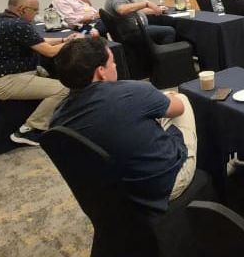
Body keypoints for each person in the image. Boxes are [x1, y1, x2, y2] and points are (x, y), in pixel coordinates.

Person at [50, 37, 197, 212]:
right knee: (181, 99)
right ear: (101, 72)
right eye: (113, 62)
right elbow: (177, 109)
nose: (115, 66)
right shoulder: (133, 91)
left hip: (107, 196)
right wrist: (165, 97)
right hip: (163, 185)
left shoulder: (57, 117)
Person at [0, 0, 82, 146]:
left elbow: (37, 40)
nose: (36, 14)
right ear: (22, 9)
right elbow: (49, 52)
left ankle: (55, 117)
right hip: (4, 81)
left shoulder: (6, 21)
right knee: (63, 89)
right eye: (35, 10)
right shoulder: (17, 25)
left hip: (2, 76)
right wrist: (73, 43)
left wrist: (64, 39)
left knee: (48, 72)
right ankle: (31, 129)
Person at [104, 0, 176, 44]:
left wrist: (155, 10)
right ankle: (160, 55)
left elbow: (136, 11)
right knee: (169, 31)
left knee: (165, 22)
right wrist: (146, 3)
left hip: (134, 30)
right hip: (131, 34)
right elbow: (122, 10)